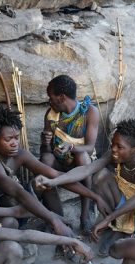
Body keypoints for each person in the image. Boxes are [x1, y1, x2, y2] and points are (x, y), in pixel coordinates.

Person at [0, 105, 110, 264]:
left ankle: (62, 236)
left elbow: (55, 176)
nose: (15, 143)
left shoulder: (19, 154)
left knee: (44, 181)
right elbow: (18, 193)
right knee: (11, 216)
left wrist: (95, 196)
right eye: (8, 139)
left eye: (16, 137)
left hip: (13, 205)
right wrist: (54, 220)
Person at [36, 119, 135, 256]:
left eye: (119, 147)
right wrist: (54, 181)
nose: (113, 149)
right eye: (113, 144)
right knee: (100, 176)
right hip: (122, 208)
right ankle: (119, 229)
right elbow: (86, 170)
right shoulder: (114, 155)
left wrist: (107, 219)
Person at [40, 75, 100, 235]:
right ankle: (57, 217)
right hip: (60, 162)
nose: (49, 101)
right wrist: (45, 143)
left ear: (61, 97)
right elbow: (45, 153)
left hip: (81, 163)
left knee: (83, 157)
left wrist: (71, 148)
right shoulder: (51, 115)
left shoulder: (89, 112)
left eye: (51, 97)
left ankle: (85, 214)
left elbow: (89, 148)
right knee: (45, 160)